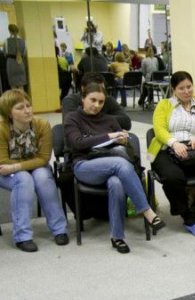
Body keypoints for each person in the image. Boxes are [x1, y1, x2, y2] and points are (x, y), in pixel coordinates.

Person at [63, 83, 165, 253]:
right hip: (85, 166)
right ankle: (147, 211)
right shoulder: (72, 118)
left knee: (116, 184)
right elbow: (77, 143)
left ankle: (117, 237)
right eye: (92, 100)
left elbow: (123, 143)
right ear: (83, 99)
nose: (96, 105)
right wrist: (108, 136)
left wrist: (122, 139)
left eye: (101, 102)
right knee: (121, 164)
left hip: (112, 165)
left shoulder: (110, 120)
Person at [149, 71, 195, 236]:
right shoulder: (164, 105)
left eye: (189, 87)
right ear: (173, 89)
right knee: (173, 177)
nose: (186, 91)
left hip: (194, 152)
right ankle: (188, 216)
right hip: (165, 150)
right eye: (181, 88)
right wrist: (174, 142)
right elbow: (159, 130)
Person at [0, 90, 68, 252]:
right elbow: (2, 161)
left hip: (27, 167)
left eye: (28, 106)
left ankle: (59, 229)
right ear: (9, 113)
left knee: (43, 176)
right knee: (24, 179)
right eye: (20, 108)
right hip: (5, 172)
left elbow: (44, 158)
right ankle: (22, 235)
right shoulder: (1, 129)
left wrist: (18, 166)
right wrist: (25, 166)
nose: (27, 110)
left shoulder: (42, 125)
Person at [62, 72, 131, 131]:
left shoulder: (107, 99)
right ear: (83, 88)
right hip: (83, 140)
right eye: (94, 89)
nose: (99, 92)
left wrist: (95, 120)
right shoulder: (70, 101)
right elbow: (73, 125)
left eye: (102, 89)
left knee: (132, 139)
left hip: (106, 139)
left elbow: (126, 122)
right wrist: (106, 121)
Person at [5, 24, 27, 90]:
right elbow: (24, 53)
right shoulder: (23, 41)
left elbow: (5, 53)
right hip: (20, 63)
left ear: (9, 31)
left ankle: (15, 100)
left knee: (13, 86)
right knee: (21, 85)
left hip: (11, 64)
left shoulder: (7, 41)